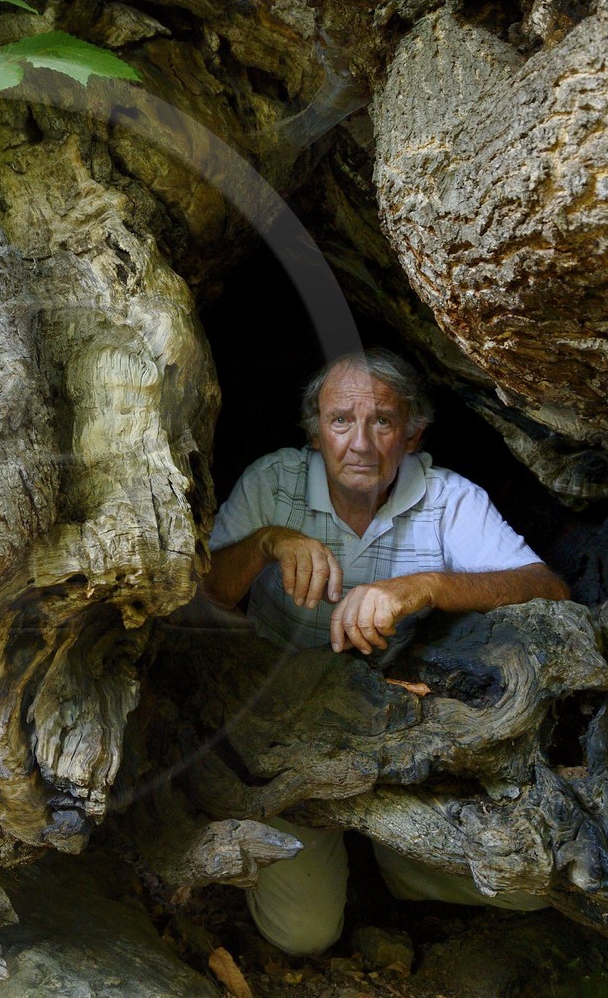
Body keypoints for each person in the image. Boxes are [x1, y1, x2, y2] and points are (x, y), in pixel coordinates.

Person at [203, 348, 570, 957]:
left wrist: (426, 585)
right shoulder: (272, 482)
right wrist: (268, 543)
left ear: (413, 434)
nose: (361, 444)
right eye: (340, 420)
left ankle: (395, 869)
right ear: (315, 432)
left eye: (382, 422)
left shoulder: (449, 498)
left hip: (405, 726)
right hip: (285, 726)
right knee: (302, 935)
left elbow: (548, 590)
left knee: (526, 889)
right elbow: (197, 595)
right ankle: (337, 859)